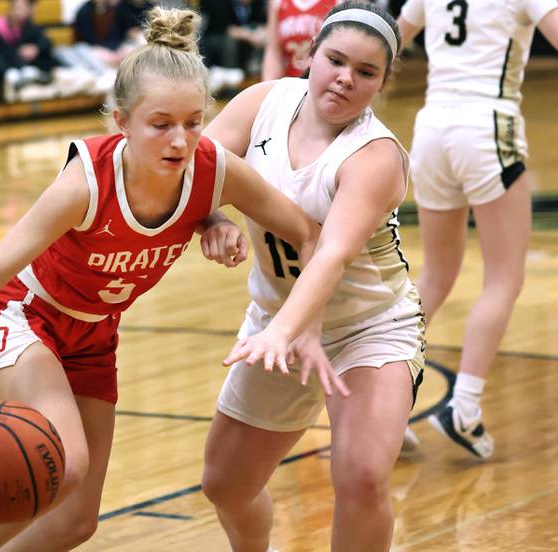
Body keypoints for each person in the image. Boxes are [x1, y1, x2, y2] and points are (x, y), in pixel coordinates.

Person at [0, 7, 338, 552]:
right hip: (26, 315)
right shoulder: (85, 184)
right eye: (160, 124)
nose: (180, 140)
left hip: (96, 335)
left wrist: (297, 313)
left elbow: (311, 233)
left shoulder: (213, 169)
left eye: (194, 122)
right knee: (64, 462)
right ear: (121, 122)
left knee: (77, 524)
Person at [200, 3, 426, 551]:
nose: (346, 78)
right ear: (309, 55)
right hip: (279, 317)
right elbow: (198, 169)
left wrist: (286, 331)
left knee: (363, 477)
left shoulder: (376, 155)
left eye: (366, 72)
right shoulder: (262, 103)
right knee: (226, 485)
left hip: (369, 328)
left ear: (381, 83)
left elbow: (330, 254)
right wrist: (212, 218)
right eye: (336, 60)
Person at [396, 0, 558, 459]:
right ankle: (463, 407)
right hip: (487, 123)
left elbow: (390, 39)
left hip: (430, 128)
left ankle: (382, 406)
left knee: (434, 277)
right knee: (504, 277)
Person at [262, 0, 338, 80]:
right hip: (290, 83)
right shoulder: (277, 2)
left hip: (324, 83)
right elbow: (273, 52)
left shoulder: (340, 2)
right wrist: (270, 89)